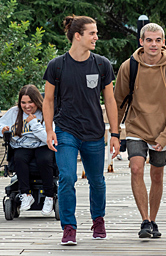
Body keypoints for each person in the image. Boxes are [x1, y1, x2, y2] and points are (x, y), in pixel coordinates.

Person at [43, 15, 120, 245]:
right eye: (92, 33)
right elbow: (47, 101)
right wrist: (49, 130)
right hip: (66, 130)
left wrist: (114, 134)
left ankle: (98, 220)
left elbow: (110, 100)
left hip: (95, 132)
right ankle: (69, 227)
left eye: (96, 33)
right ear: (78, 36)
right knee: (67, 177)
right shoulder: (57, 66)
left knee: (97, 180)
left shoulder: (102, 64)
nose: (96, 37)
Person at [114, 23, 166, 238]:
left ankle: (153, 220)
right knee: (136, 168)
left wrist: (165, 136)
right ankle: (144, 220)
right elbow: (119, 101)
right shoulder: (129, 67)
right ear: (141, 42)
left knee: (157, 174)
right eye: (149, 40)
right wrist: (115, 133)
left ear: (163, 42)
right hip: (136, 127)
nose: (153, 44)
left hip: (163, 130)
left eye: (157, 40)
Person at [0, 85, 55, 215]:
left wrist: (34, 124)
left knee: (44, 158)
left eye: (30, 102)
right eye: (23, 103)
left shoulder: (45, 112)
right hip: (22, 146)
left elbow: (49, 138)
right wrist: (2, 130)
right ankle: (26, 194)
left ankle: (49, 196)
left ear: (37, 101)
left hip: (42, 145)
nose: (27, 106)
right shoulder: (14, 112)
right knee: (19, 158)